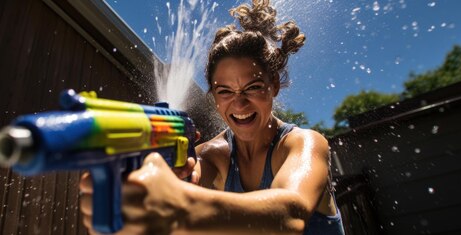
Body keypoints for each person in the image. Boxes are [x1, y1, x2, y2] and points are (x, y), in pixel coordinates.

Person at [80, 0, 345, 234]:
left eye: (252, 87)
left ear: (273, 84)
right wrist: (128, 205)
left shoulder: (304, 144)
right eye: (225, 91)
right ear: (214, 97)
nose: (239, 102)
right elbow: (179, 191)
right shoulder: (210, 155)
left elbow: (290, 215)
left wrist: (182, 205)